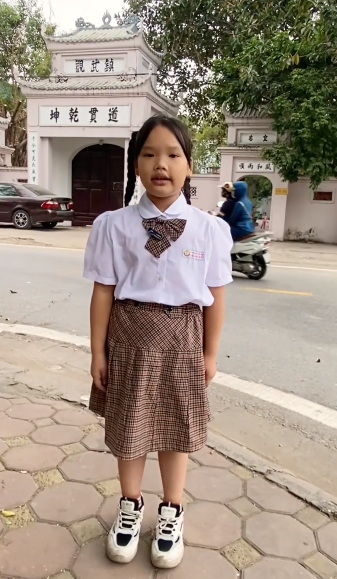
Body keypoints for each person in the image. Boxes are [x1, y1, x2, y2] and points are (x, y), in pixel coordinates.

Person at [83, 115, 233, 570]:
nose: (160, 164)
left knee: (175, 429)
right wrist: (97, 352)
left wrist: (210, 354)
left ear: (189, 165)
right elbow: (104, 291)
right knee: (129, 430)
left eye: (172, 154)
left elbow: (215, 296)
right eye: (148, 154)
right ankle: (130, 506)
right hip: (128, 338)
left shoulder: (209, 229)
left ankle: (172, 510)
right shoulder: (114, 225)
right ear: (136, 165)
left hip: (183, 339)